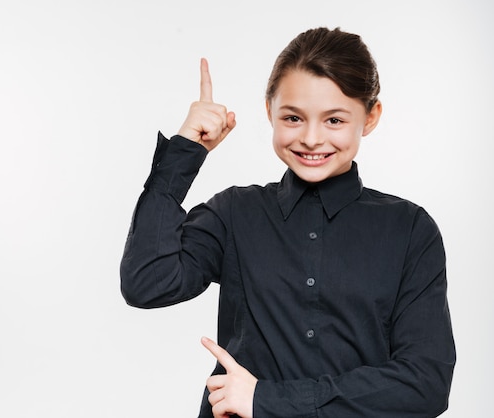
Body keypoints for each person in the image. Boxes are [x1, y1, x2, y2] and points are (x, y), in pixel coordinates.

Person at [120, 27, 455, 417]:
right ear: (269, 112)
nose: (312, 139)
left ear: (370, 116)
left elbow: (426, 384)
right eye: (294, 117)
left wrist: (265, 400)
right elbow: (146, 283)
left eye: (334, 120)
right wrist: (185, 151)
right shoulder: (234, 213)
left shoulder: (410, 230)